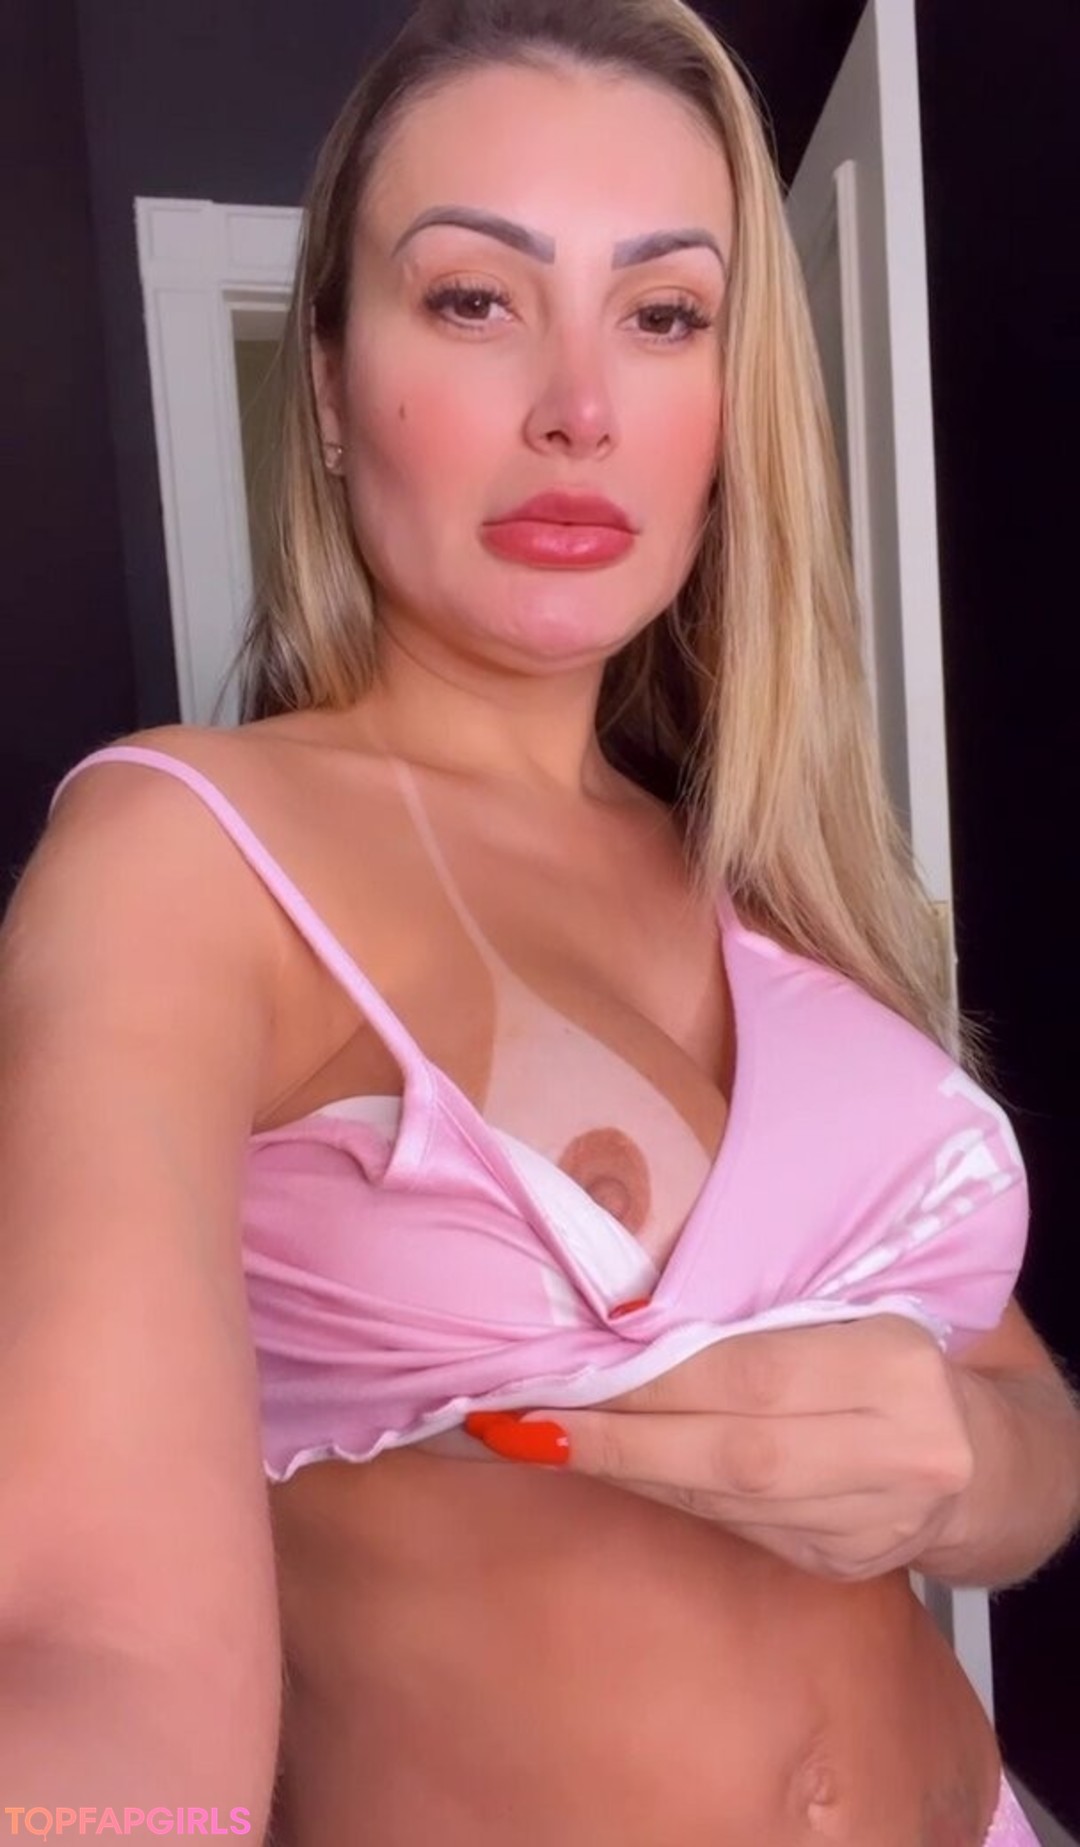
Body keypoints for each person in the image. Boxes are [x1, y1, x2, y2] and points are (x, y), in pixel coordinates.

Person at [1, 0, 1077, 1840]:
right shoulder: (184, 856)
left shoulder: (773, 876)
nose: (581, 404)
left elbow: (1016, 1410)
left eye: (663, 316)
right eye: (473, 300)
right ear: (327, 388)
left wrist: (962, 1466)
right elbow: (83, 1636)